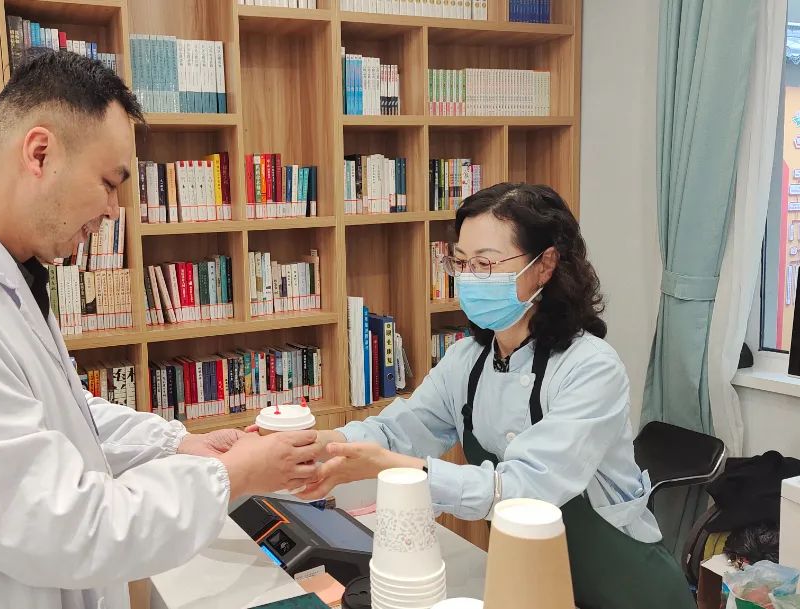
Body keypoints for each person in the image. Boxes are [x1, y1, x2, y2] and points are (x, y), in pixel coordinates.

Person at [0, 50, 321, 609]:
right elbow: (63, 525)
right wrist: (231, 476)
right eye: (108, 183)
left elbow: (57, 415)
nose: (113, 211)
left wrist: (177, 444)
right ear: (40, 153)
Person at [297, 183, 695, 609]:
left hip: (627, 588)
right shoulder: (467, 360)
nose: (470, 278)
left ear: (544, 266)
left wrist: (391, 466)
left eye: (485, 264)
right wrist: (323, 444)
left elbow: (526, 490)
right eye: (462, 262)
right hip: (530, 582)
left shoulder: (591, 368)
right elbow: (402, 430)